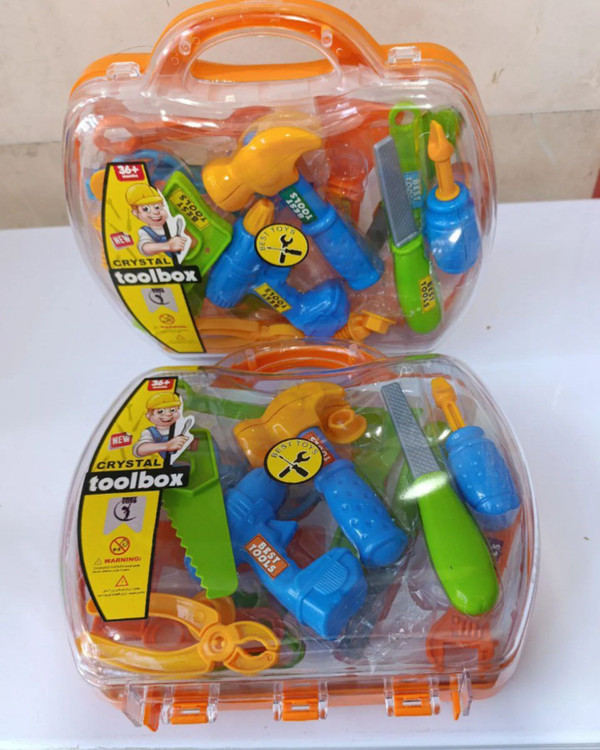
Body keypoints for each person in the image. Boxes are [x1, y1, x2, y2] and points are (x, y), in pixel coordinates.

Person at [125, 183, 188, 257]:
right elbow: (145, 248)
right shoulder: (145, 231)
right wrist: (168, 245)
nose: (155, 212)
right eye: (145, 209)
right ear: (135, 213)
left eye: (157, 207)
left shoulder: (174, 223)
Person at [133, 393, 188, 459]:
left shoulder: (181, 427)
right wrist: (167, 446)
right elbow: (140, 449)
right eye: (160, 411)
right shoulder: (150, 432)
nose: (168, 414)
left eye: (172, 410)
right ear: (149, 416)